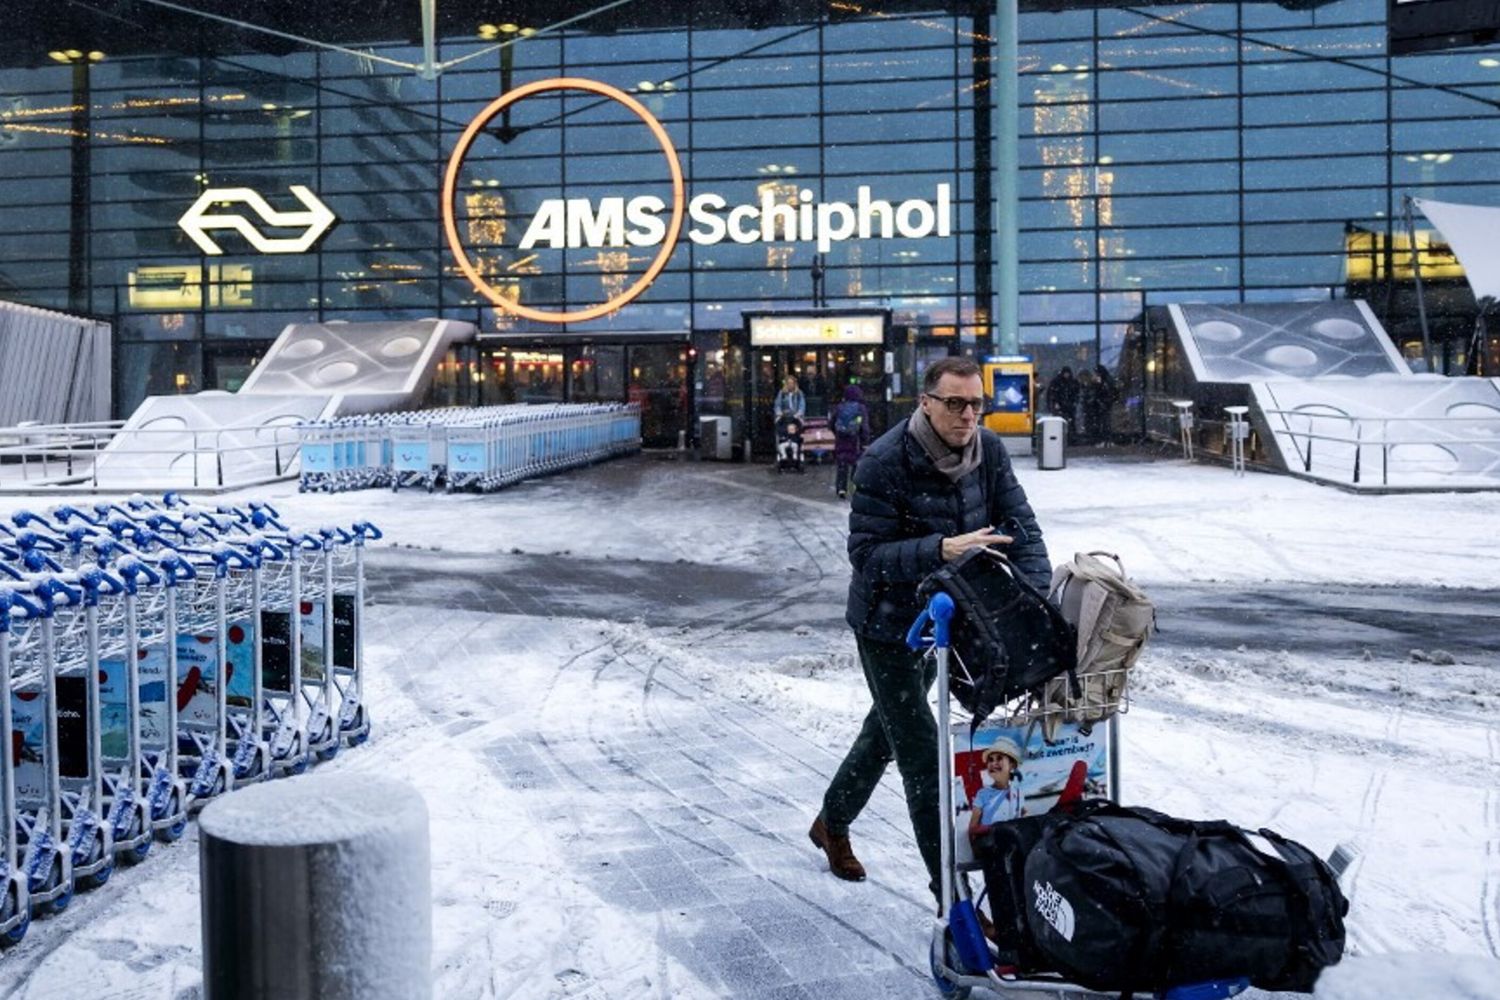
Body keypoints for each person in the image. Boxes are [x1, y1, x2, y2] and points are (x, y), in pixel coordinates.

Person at [809, 356, 1051, 898]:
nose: (968, 415)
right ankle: (953, 900)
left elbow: (1022, 529)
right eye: (955, 403)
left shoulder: (987, 451)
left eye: (976, 404)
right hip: (888, 625)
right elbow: (866, 556)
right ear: (926, 402)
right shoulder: (883, 461)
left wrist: (1033, 597)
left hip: (950, 623)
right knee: (921, 750)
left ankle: (831, 822)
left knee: (887, 732)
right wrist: (941, 550)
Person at [968, 739, 1026, 841]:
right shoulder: (983, 794)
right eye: (990, 760)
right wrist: (993, 829)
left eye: (999, 759)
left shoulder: (1018, 792)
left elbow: (1022, 817)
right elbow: (972, 829)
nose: (994, 763)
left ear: (1012, 765)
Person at [831, 383, 871, 500]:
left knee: (842, 465)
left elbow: (832, 423)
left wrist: (838, 433)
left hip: (841, 440)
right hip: (855, 440)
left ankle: (841, 488)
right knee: (855, 464)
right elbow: (865, 427)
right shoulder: (861, 408)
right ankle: (853, 486)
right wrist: (865, 440)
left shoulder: (839, 407)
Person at [1046, 366, 1080, 443]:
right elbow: (1052, 393)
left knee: (1068, 423)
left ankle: (1069, 438)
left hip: (1067, 405)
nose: (1066, 375)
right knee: (1064, 422)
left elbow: (1076, 393)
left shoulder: (1060, 382)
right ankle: (1067, 438)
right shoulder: (1059, 382)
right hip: (1063, 405)